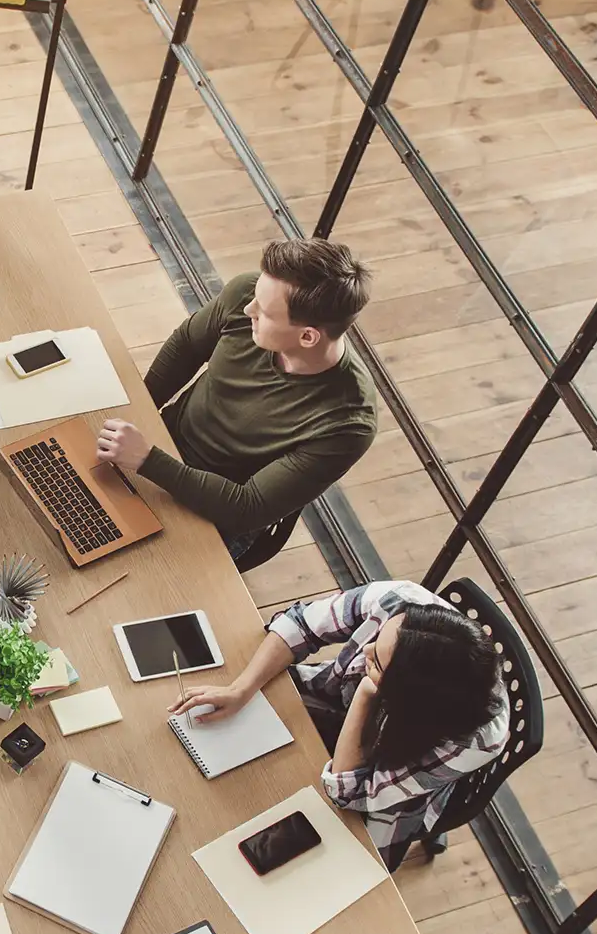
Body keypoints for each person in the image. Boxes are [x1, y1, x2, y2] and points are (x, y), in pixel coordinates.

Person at [169, 581, 507, 870]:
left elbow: (348, 791)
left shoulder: (472, 742)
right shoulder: (404, 602)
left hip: (390, 785)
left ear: (406, 693)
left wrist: (365, 692)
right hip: (332, 704)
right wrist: (240, 689)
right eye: (377, 640)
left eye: (377, 659)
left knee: (321, 860)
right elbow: (299, 625)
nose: (367, 649)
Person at [94, 239, 378, 572]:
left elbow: (247, 508)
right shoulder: (249, 293)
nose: (248, 310)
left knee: (124, 578)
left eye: (265, 312)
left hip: (215, 513)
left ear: (307, 337)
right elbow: (187, 345)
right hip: (158, 443)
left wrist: (146, 460)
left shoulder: (347, 422)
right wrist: (137, 413)